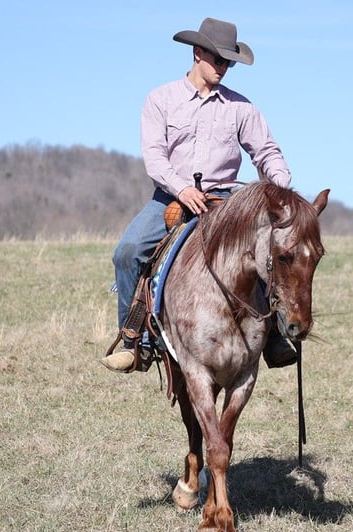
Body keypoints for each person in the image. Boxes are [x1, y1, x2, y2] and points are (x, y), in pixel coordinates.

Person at [100, 17, 297, 373]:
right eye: (218, 59)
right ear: (197, 53)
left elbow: (266, 151)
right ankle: (134, 339)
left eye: (229, 62)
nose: (224, 68)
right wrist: (182, 188)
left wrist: (280, 185)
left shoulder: (241, 107)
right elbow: (155, 157)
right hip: (171, 199)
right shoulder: (160, 99)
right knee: (127, 252)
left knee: (269, 251)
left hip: (226, 201)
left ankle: (274, 336)